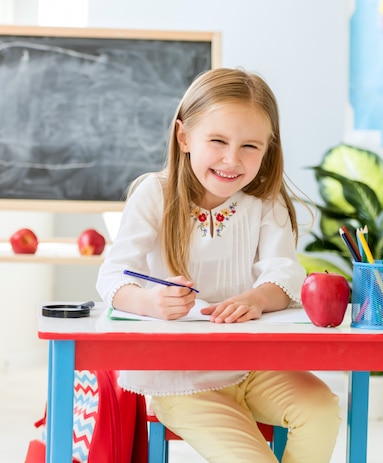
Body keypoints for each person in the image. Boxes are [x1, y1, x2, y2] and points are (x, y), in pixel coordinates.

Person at [96, 67, 341, 463]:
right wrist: (150, 302)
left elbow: (285, 272)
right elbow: (113, 275)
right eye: (217, 141)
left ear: (268, 149)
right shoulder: (153, 194)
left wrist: (259, 298)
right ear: (184, 137)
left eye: (250, 146)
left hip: (253, 366)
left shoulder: (266, 201)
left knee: (322, 410)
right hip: (181, 379)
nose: (232, 159)